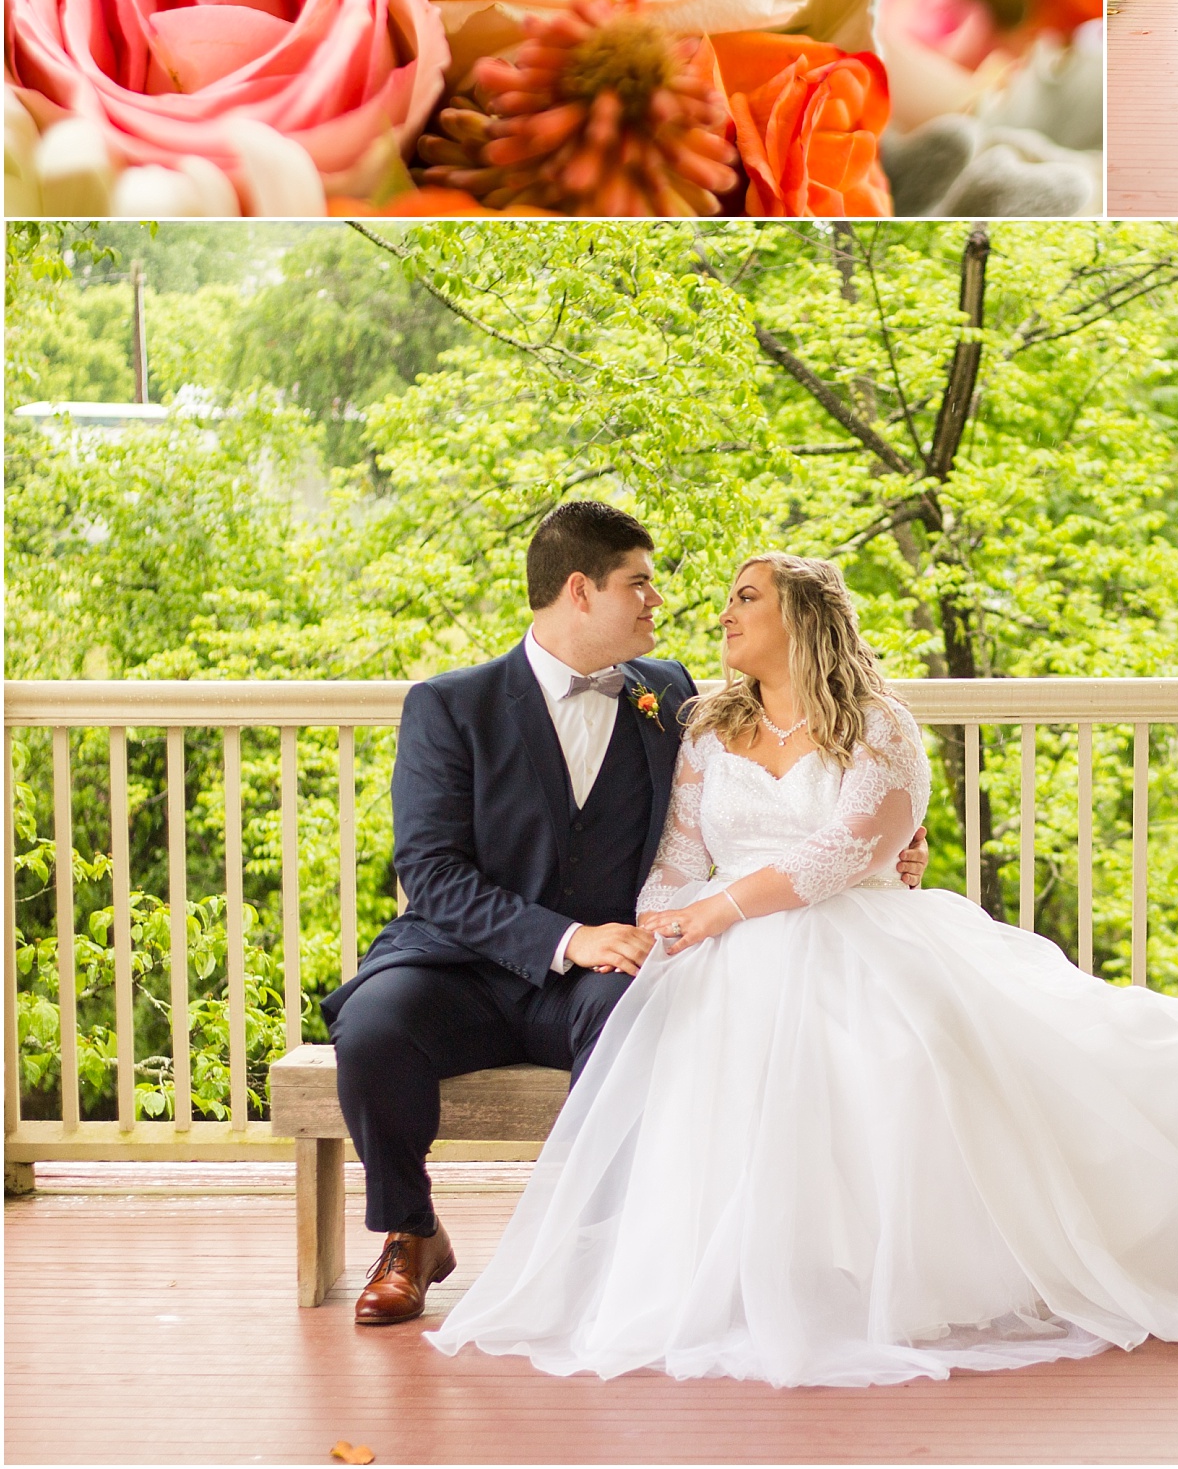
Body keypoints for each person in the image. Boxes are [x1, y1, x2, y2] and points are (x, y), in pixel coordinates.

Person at [430, 553, 1178, 1388]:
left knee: (902, 1056)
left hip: (853, 934)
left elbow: (842, 853)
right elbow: (672, 859)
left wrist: (718, 911)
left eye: (744, 599)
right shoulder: (706, 731)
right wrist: (673, 924)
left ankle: (902, 1269)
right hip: (715, 953)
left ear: (801, 618)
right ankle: (741, 1275)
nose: (719, 617)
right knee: (696, 1047)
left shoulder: (880, 728)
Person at [321, 498, 933, 1327]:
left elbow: (742, 814)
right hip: (458, 962)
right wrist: (566, 939)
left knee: (644, 1019)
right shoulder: (450, 705)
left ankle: (608, 1246)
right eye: (638, 583)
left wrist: (882, 852)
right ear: (580, 590)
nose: (660, 600)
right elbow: (431, 874)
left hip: (613, 964)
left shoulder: (671, 693)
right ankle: (409, 1232)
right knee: (374, 1028)